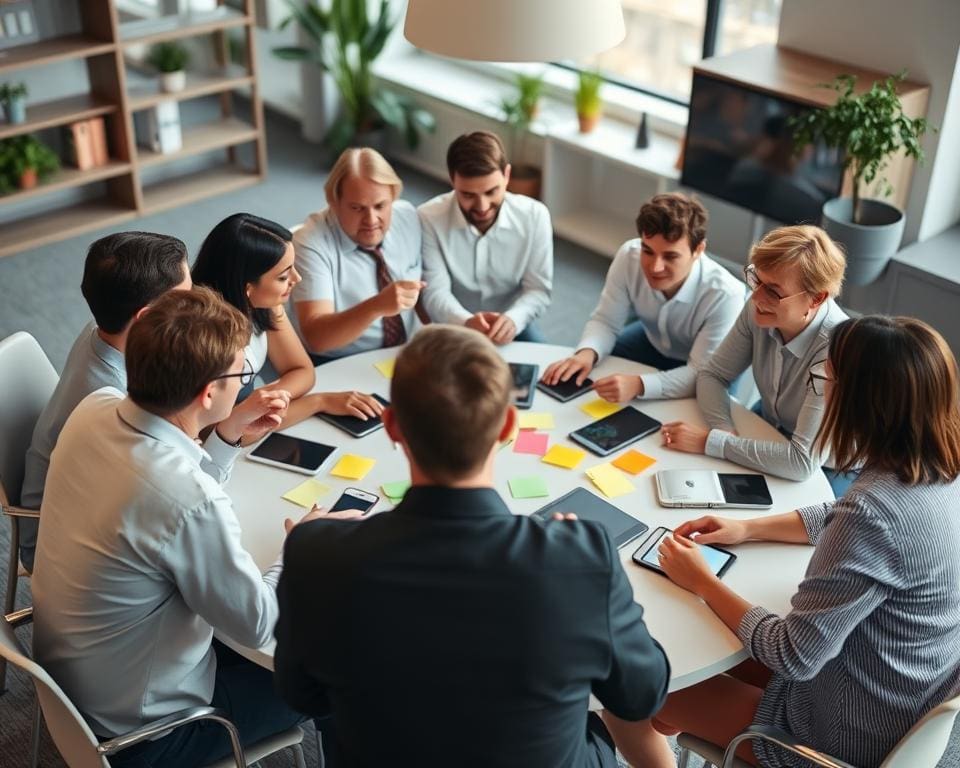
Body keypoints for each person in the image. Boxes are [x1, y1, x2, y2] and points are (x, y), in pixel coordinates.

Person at [273, 325, 670, 767]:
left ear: (391, 426)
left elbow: (302, 695)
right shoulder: (580, 555)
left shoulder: (316, 553)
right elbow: (642, 695)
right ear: (507, 425)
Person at [604, 315, 960, 768]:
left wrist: (702, 581)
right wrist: (746, 528)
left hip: (832, 733)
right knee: (691, 654)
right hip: (893, 696)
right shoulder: (936, 470)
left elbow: (792, 655)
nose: (821, 389)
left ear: (859, 400)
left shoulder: (874, 514)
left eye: (824, 377)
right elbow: (834, 515)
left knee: (626, 687)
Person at [31, 288, 349, 768]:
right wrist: (302, 545)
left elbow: (168, 487)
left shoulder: (95, 408)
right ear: (208, 393)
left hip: (72, 689)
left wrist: (225, 434)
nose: (245, 384)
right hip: (152, 737)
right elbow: (257, 623)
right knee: (338, 664)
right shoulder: (187, 500)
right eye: (242, 375)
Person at [18, 231, 192, 572]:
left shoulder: (102, 330)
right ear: (144, 319)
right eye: (185, 302)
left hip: (78, 498)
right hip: (57, 543)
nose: (195, 309)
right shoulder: (114, 399)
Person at [660, 225, 849, 490]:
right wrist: (722, 432)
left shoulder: (836, 348)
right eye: (756, 279)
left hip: (833, 464)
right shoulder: (758, 307)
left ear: (816, 299)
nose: (756, 296)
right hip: (775, 421)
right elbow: (712, 374)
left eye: (773, 290)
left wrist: (710, 442)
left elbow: (801, 463)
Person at [542, 193, 743, 401]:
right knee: (590, 374)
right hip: (652, 340)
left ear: (698, 249)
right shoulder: (629, 255)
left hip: (710, 368)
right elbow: (606, 321)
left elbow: (700, 375)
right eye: (648, 251)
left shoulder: (727, 295)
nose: (655, 267)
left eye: (670, 256)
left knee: (704, 419)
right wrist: (587, 353)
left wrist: (639, 385)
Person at [192, 213, 384, 422]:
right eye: (283, 276)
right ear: (247, 288)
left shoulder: (265, 304)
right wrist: (318, 402)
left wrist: (260, 404)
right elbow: (219, 431)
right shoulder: (206, 338)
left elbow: (302, 371)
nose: (297, 278)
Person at [419, 131, 553, 344]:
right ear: (452, 180)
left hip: (511, 322)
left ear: (507, 175)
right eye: (468, 195)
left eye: (491, 191)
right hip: (453, 323)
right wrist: (466, 322)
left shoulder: (535, 216)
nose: (482, 207)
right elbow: (435, 292)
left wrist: (513, 320)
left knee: (545, 373)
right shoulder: (428, 218)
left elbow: (538, 290)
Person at [293, 147, 426, 359]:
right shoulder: (310, 244)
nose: (371, 220)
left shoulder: (407, 216)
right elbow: (316, 338)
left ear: (393, 197)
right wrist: (377, 306)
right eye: (357, 208)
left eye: (380, 206)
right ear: (334, 203)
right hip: (338, 359)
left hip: (403, 350)